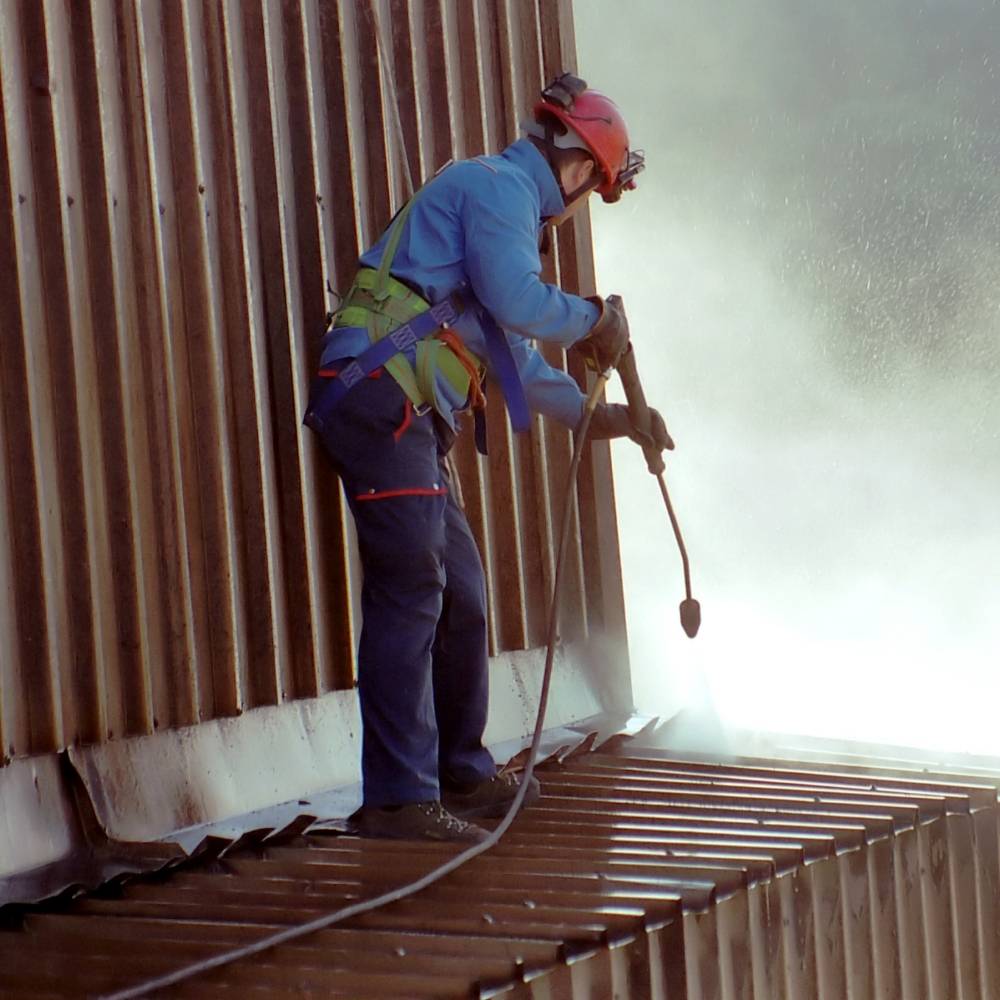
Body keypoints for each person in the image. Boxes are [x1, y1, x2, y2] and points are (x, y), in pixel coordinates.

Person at [304, 74, 671, 842]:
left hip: (406, 416)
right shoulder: (498, 188)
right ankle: (399, 801)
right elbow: (517, 300)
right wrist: (594, 318)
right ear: (577, 170)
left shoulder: (492, 213)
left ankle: (461, 773)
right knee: (412, 589)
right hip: (381, 400)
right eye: (590, 188)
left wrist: (601, 417)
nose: (575, 207)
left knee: (460, 589)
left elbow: (517, 359)